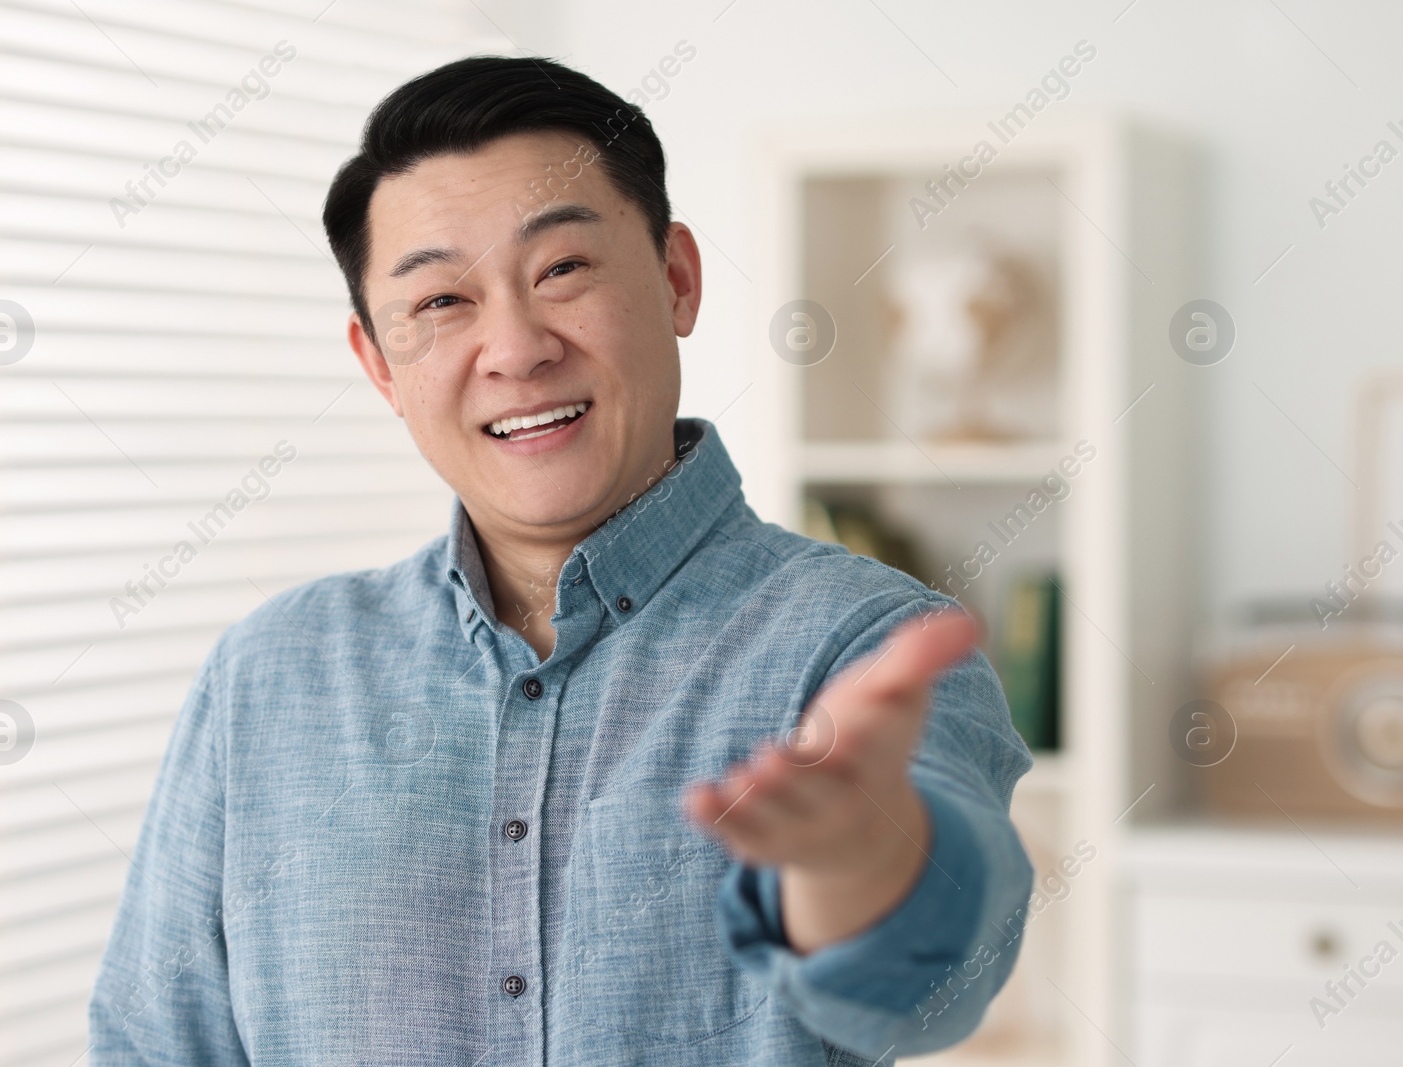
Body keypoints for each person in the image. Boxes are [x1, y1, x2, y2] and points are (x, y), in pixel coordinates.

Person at [88, 54, 1034, 1066]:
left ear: (676, 279)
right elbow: (156, 1040)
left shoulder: (860, 643)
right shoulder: (268, 673)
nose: (516, 346)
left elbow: (932, 979)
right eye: (441, 301)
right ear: (378, 363)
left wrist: (860, 864)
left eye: (562, 271)